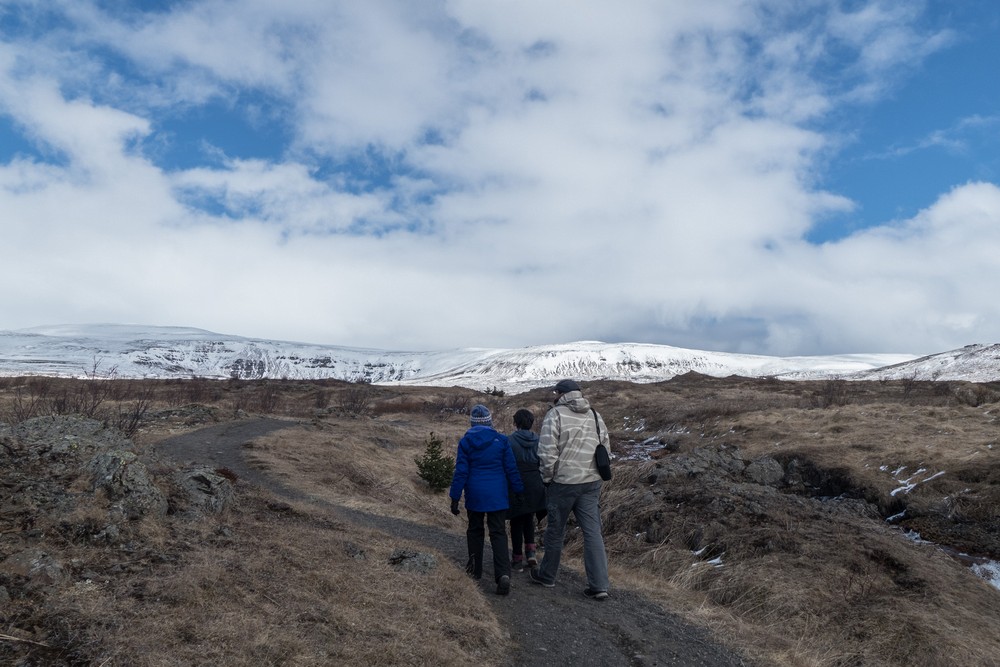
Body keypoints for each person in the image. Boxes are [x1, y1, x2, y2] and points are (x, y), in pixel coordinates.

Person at [529, 380, 611, 600]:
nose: (553, 395)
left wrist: (547, 479)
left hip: (563, 483)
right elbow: (605, 448)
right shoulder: (595, 415)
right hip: (591, 482)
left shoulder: (555, 415)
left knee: (555, 531)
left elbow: (546, 453)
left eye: (555, 392)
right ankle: (599, 585)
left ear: (561, 394)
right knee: (593, 533)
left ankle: (547, 576)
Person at [449, 404, 524, 595]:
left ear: (472, 423)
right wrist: (518, 490)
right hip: (497, 494)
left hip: (475, 493)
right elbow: (511, 468)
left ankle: (474, 570)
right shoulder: (501, 440)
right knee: (498, 532)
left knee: (475, 530)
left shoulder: (466, 442)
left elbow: (461, 471)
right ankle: (503, 574)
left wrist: (455, 497)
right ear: (489, 422)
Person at [506, 409, 547, 572]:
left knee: (516, 520)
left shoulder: (508, 440)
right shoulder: (539, 440)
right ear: (531, 423)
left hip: (517, 482)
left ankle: (517, 559)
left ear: (515, 423)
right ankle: (531, 553)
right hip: (536, 483)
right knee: (529, 518)